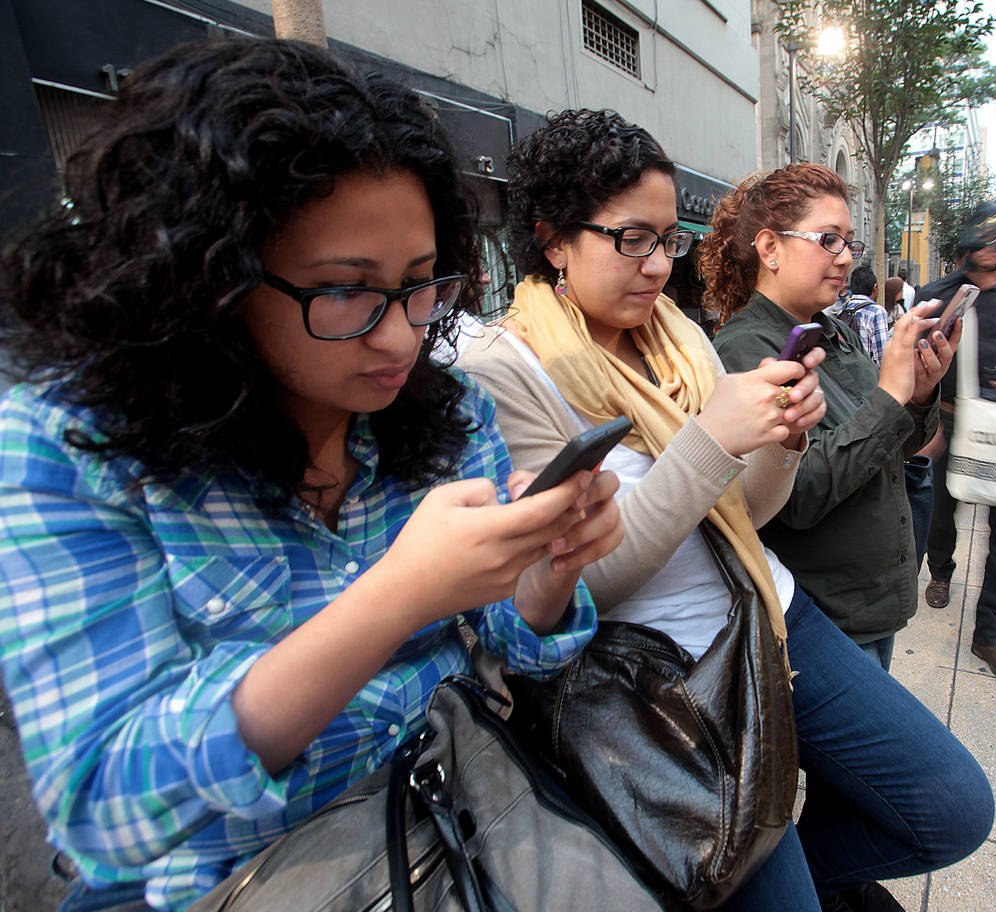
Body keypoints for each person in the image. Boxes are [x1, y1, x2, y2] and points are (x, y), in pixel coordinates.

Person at [0, 40, 626, 912]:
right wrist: (395, 598)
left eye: (420, 285)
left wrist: (549, 568)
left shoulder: (445, 412)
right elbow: (104, 805)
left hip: (454, 829)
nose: (399, 335)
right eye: (343, 291)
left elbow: (517, 647)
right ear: (210, 278)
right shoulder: (71, 445)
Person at [460, 109, 992, 912]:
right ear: (554, 239)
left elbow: (747, 510)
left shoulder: (677, 335)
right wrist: (711, 441)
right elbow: (579, 588)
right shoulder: (508, 367)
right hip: (662, 685)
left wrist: (781, 441)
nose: (655, 266)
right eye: (631, 239)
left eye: (667, 240)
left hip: (772, 613)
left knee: (952, 808)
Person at [708, 163, 955, 671]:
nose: (844, 257)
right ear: (770, 248)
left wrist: (918, 394)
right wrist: (890, 396)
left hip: (872, 602)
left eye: (848, 243)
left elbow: (893, 448)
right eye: (828, 239)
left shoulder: (834, 330)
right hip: (822, 616)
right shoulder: (747, 348)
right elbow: (798, 495)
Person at [921, 203, 996, 683]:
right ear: (967, 242)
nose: (992, 247)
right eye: (984, 238)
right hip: (950, 422)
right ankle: (941, 570)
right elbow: (916, 360)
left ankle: (991, 632)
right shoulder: (940, 295)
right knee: (944, 512)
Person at [828, 264, 890, 365]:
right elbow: (882, 355)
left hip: (848, 368)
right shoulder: (877, 311)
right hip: (867, 369)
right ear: (875, 287)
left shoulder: (843, 308)